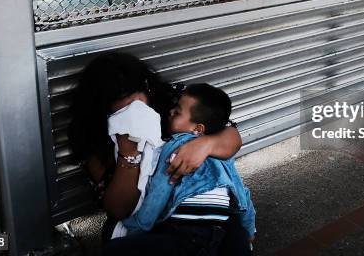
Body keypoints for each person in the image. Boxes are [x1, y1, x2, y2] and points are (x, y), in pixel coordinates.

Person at [67, 53, 247, 249]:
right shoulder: (94, 142)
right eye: (122, 109)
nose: (134, 111)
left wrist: (205, 144)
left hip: (200, 207)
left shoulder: (170, 105)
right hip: (151, 218)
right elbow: (119, 210)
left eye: (136, 101)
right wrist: (129, 155)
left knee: (230, 234)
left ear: (147, 89)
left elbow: (231, 135)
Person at [103, 83, 255, 256]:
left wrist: (139, 225)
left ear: (197, 129)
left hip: (187, 235)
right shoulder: (222, 154)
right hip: (220, 227)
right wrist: (249, 229)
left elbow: (159, 191)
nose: (170, 112)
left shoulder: (173, 148)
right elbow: (241, 192)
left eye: (177, 112)